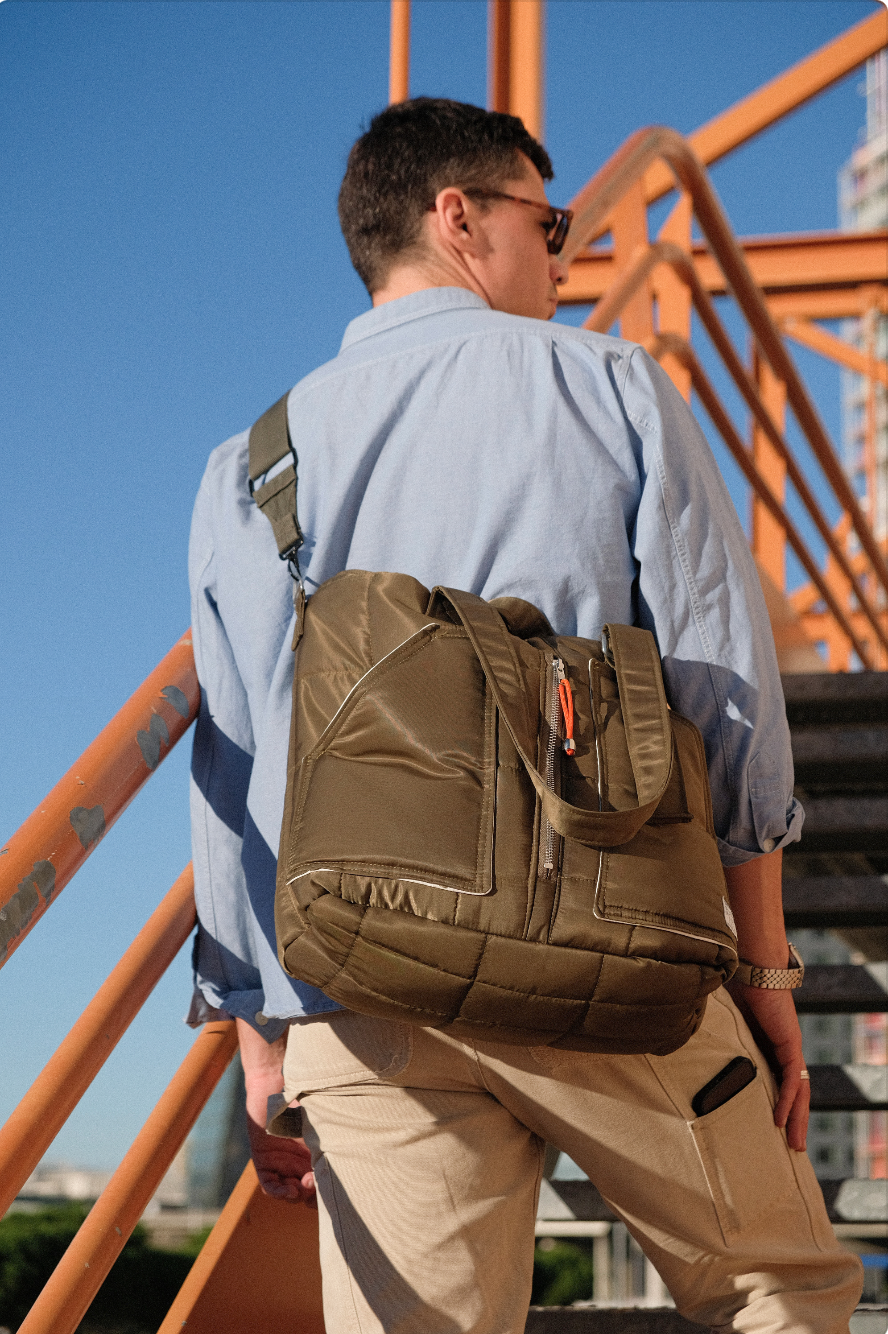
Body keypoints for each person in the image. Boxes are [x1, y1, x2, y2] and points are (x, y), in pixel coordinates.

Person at [188, 98, 862, 1332]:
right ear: (459, 219)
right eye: (547, 223)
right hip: (607, 944)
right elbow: (720, 689)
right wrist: (764, 966)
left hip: (360, 986)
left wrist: (260, 1034)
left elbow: (233, 767)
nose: (564, 255)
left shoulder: (252, 462)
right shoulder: (608, 384)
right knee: (784, 1289)